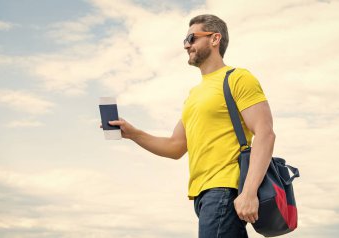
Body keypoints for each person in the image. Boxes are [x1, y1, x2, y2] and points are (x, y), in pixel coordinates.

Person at [108, 14, 275, 238]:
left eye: (192, 38)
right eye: (185, 40)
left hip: (224, 189)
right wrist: (132, 133)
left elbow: (265, 133)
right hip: (202, 196)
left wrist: (249, 192)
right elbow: (176, 146)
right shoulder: (194, 95)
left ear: (215, 39)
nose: (187, 46)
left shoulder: (238, 78)